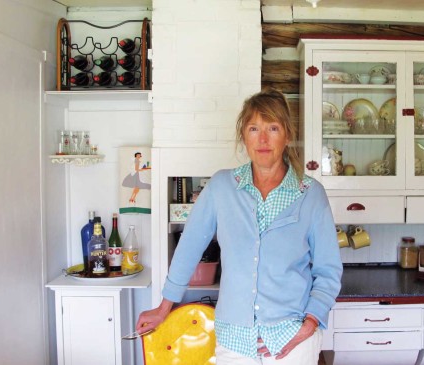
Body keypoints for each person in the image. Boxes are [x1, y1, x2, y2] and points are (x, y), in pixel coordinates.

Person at [136, 89, 342, 364]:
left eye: (273, 128)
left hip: (292, 339)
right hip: (234, 340)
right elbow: (189, 247)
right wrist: (164, 307)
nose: (263, 139)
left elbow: (328, 269)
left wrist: (312, 320)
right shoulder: (221, 187)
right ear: (244, 136)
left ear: (288, 135)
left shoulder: (310, 193)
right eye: (254, 128)